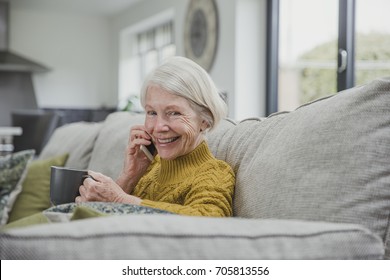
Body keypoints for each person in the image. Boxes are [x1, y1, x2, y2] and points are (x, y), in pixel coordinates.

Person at [76, 56, 235, 217]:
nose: (158, 127)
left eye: (174, 113)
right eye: (152, 112)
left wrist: (119, 198)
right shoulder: (148, 166)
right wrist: (128, 177)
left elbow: (209, 221)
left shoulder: (215, 172)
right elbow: (106, 225)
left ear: (205, 120)